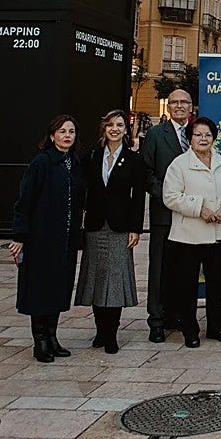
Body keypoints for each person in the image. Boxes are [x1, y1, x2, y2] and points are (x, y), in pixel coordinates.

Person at [9, 115, 85, 363]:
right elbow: (25, 201)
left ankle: (52, 336)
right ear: (52, 135)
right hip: (42, 239)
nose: (67, 136)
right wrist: (20, 235)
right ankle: (40, 339)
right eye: (62, 131)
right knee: (40, 289)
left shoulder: (73, 163)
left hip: (65, 239)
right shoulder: (42, 163)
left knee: (58, 288)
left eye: (71, 132)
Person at [162, 116, 221, 347]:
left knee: (216, 284)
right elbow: (170, 196)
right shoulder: (179, 164)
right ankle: (190, 329)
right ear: (190, 138)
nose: (203, 138)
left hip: (217, 234)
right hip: (188, 236)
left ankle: (216, 326)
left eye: (207, 134)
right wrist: (200, 209)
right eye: (198, 134)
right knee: (187, 285)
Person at [75, 110, 144, 354]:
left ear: (126, 129)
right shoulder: (92, 156)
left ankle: (111, 333)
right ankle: (99, 331)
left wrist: (135, 227)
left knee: (114, 281)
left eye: (120, 125)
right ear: (104, 129)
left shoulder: (133, 160)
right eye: (110, 125)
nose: (115, 129)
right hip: (95, 225)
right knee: (96, 278)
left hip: (119, 226)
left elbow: (138, 198)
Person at [140, 88, 195, 342]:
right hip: (164, 212)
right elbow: (146, 173)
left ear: (191, 106)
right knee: (159, 268)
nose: (180, 106)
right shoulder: (154, 134)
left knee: (184, 268)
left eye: (184, 102)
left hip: (192, 215)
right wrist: (170, 195)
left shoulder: (199, 133)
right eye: (175, 102)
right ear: (168, 106)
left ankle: (178, 314)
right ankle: (156, 320)